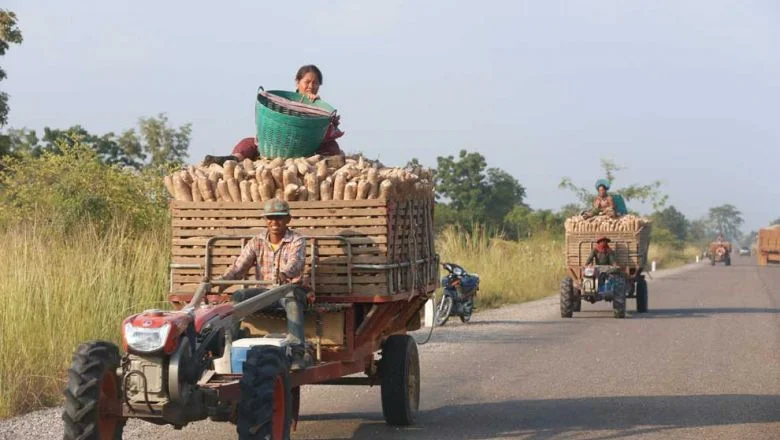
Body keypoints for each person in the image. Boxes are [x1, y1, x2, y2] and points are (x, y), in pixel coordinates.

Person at [219, 198, 313, 370]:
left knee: (291, 297)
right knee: (238, 297)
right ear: (265, 220)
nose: (274, 222)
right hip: (264, 293)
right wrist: (221, 283)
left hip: (287, 290)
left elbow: (295, 263)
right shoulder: (257, 241)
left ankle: (297, 352)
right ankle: (227, 346)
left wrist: (284, 274)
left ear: (287, 220)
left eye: (279, 218)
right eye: (270, 217)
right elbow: (240, 266)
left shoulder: (296, 240)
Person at [203, 64, 343, 165]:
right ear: (297, 82)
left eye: (316, 83)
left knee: (332, 147)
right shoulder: (285, 102)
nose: (311, 86)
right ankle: (232, 159)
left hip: (307, 148)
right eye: (307, 82)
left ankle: (326, 163)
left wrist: (315, 105)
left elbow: (325, 131)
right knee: (247, 143)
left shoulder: (319, 107)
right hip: (277, 145)